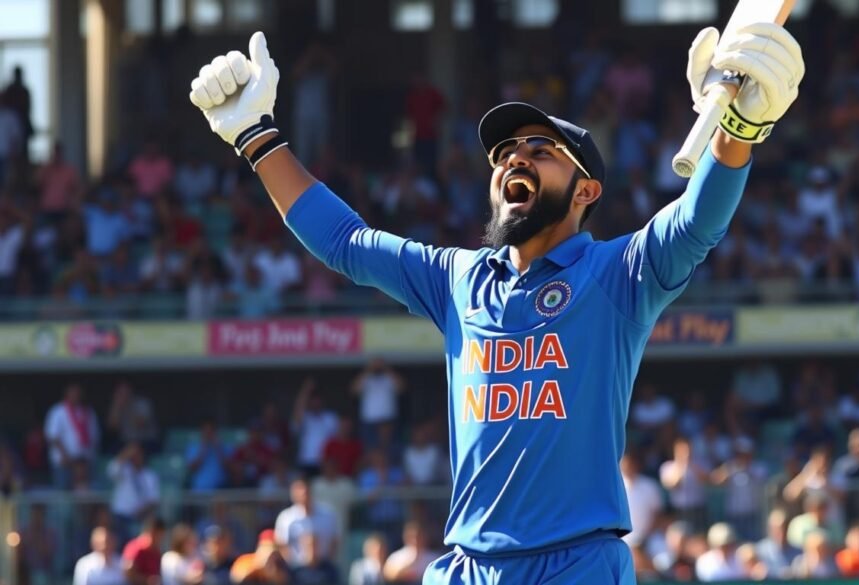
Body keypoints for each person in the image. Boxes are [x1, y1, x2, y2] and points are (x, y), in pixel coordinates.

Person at [189, 25, 804, 584]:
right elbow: (346, 242)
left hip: (576, 563)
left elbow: (697, 223)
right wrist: (257, 137)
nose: (515, 156)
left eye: (540, 149)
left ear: (586, 190)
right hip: (465, 566)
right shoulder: (458, 280)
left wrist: (737, 130)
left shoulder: (618, 273)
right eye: (505, 152)